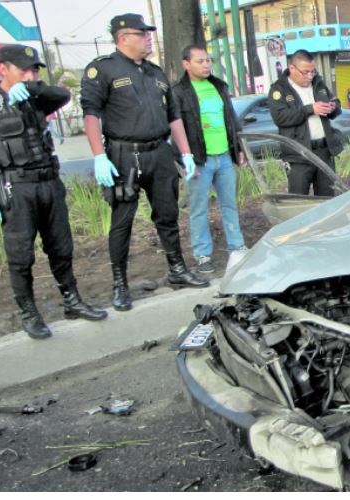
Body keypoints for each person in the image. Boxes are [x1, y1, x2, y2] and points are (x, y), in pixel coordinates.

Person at [0, 44, 107, 339]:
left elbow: (65, 96)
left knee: (61, 247)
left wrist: (33, 89)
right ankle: (29, 312)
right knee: (20, 255)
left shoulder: (36, 97)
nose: (29, 75)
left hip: (48, 183)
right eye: (23, 70)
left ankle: (72, 300)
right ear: (3, 69)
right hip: (16, 187)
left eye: (34, 70)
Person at [81, 13, 208, 313]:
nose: (149, 38)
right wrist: (99, 155)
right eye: (143, 34)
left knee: (167, 214)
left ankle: (177, 270)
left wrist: (185, 152)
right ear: (124, 38)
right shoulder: (103, 70)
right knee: (122, 220)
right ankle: (119, 284)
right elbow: (90, 114)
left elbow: (173, 116)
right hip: (125, 155)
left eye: (149, 33)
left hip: (159, 152)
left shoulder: (155, 72)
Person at [171, 45, 247, 274]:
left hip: (223, 156)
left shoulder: (218, 86)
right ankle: (202, 254)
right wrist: (184, 160)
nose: (206, 65)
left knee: (229, 204)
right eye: (200, 61)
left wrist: (238, 148)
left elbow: (231, 119)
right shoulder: (178, 92)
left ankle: (237, 247)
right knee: (199, 208)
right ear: (186, 64)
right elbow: (175, 128)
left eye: (208, 60)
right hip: (198, 160)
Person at [267, 49, 343, 197]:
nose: (309, 76)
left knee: (327, 198)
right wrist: (310, 109)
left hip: (324, 152)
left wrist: (333, 107)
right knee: (298, 199)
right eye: (305, 72)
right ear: (292, 68)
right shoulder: (279, 89)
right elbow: (281, 117)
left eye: (312, 71)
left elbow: (335, 103)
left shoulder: (318, 84)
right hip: (299, 154)